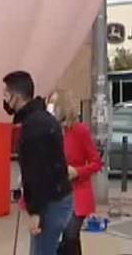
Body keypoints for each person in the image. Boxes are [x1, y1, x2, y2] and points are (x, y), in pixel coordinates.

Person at [2, 71, 72, 255]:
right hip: (55, 198)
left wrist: (35, 212)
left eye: (6, 94)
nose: (4, 99)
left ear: (16, 97)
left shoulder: (34, 126)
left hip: (51, 203)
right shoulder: (39, 120)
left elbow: (39, 173)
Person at [48, 89, 102, 255]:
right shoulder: (48, 131)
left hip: (77, 193)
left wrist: (77, 171)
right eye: (49, 104)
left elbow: (96, 163)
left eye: (55, 104)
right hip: (55, 193)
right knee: (64, 239)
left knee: (70, 234)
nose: (51, 108)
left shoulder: (79, 131)